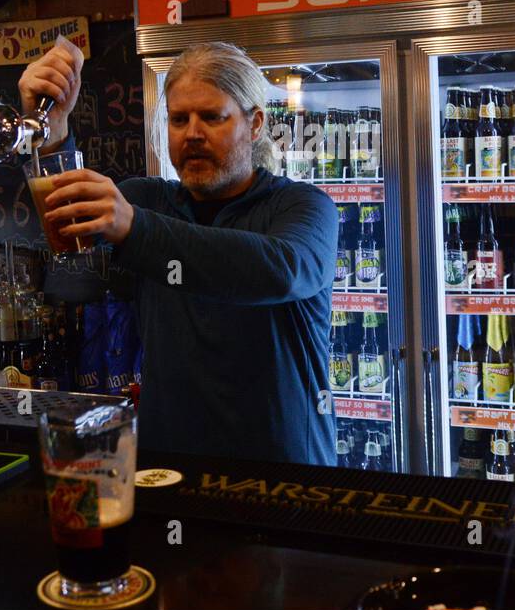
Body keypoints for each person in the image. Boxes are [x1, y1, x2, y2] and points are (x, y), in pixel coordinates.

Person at [18, 41, 338, 466]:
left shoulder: (303, 207)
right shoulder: (146, 200)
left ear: (256, 123)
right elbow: (68, 260)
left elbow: (280, 270)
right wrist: (50, 132)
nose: (192, 134)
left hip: (283, 478)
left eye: (212, 117)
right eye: (178, 119)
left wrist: (136, 229)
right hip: (167, 472)